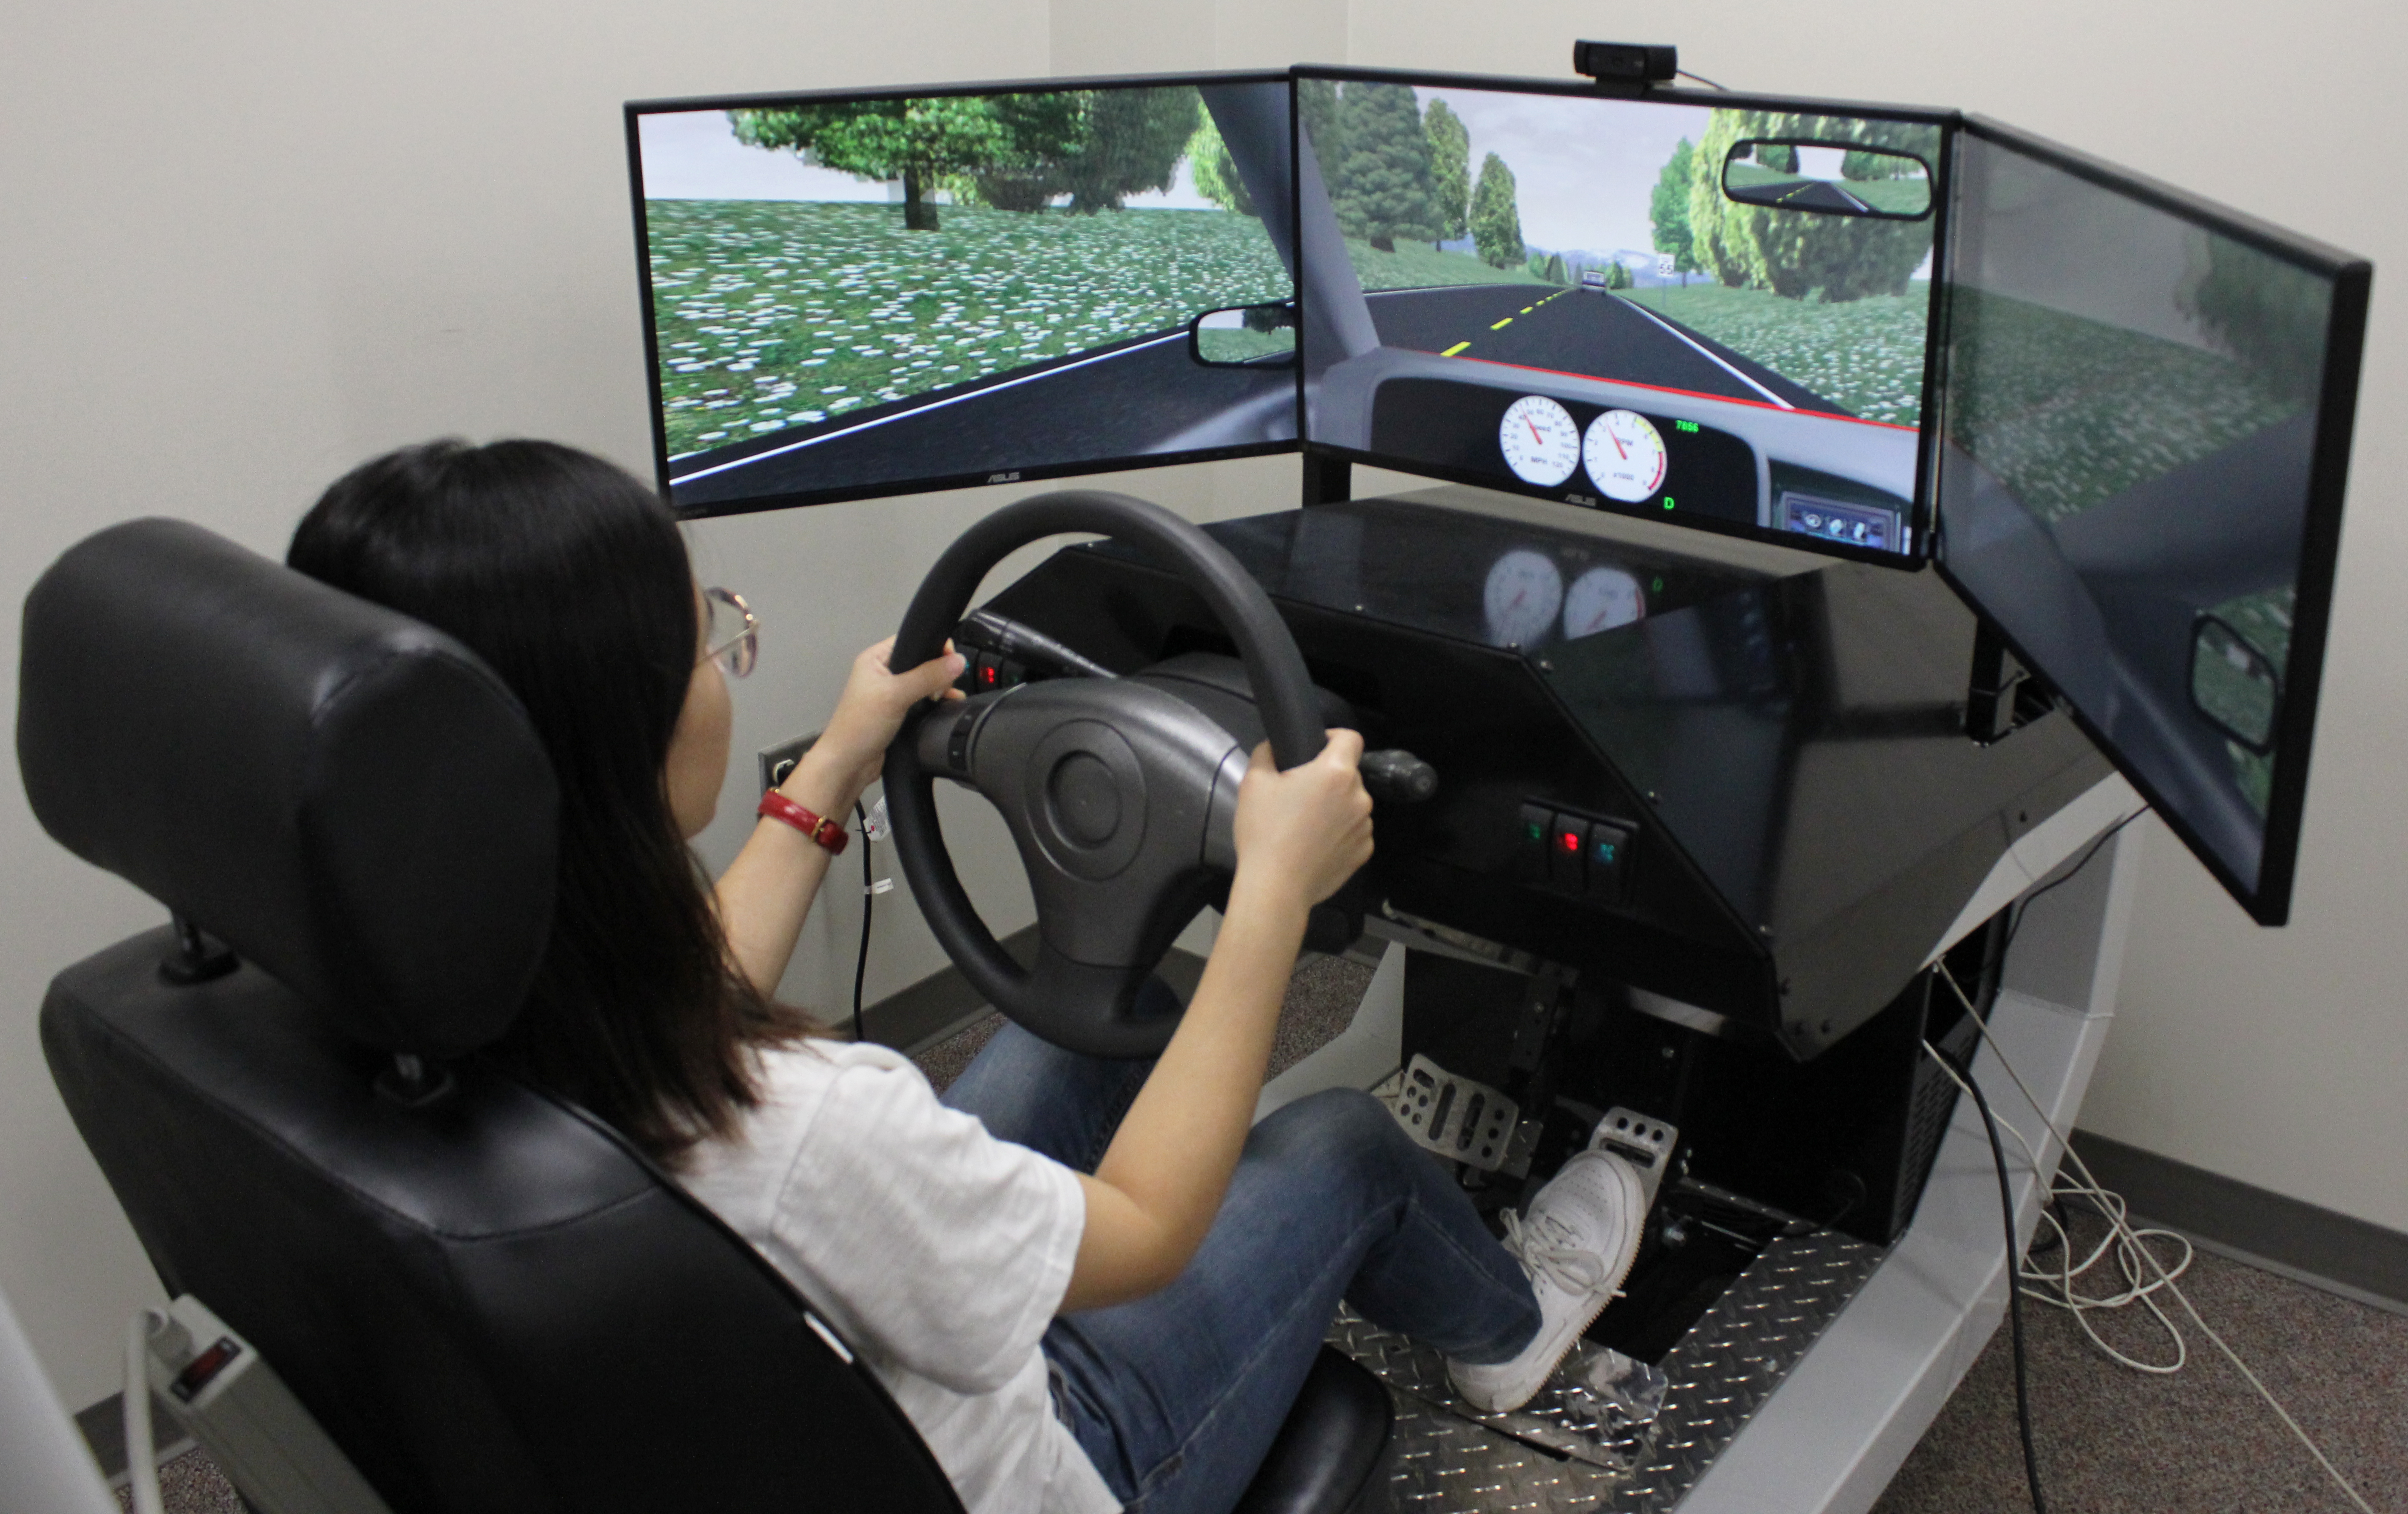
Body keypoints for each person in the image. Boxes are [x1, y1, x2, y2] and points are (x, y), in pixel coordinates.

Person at [287, 437, 1648, 1514]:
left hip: (804, 1396)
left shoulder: (380, 1000)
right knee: (1342, 1142)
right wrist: (1271, 895)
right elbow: (1143, 1234)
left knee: (1095, 1027)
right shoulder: (811, 1124)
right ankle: (1512, 1330)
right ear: (603, 740)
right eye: (699, 634)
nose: (717, 660)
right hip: (1040, 1465)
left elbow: (673, 997)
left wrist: (835, 759)